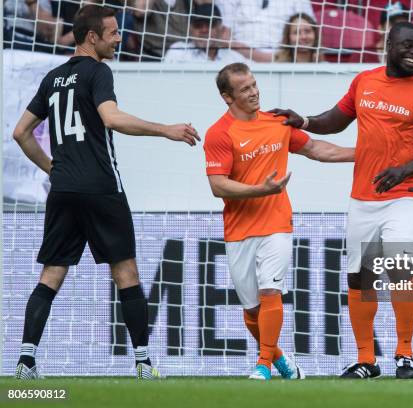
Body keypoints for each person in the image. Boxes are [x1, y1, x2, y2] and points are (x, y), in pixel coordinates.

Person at [12, 4, 199, 380]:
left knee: (52, 273)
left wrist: (54, 168)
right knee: (125, 272)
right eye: (113, 33)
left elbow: (20, 132)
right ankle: (144, 364)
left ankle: (25, 363)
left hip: (63, 189)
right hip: (100, 187)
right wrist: (165, 129)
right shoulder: (98, 71)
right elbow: (111, 118)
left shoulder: (53, 77)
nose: (118, 38)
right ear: (92, 37)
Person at [271, 22, 413, 379]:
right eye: (407, 46)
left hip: (407, 194)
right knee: (360, 278)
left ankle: (405, 355)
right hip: (364, 196)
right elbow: (336, 121)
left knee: (399, 265)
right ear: (388, 45)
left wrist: (403, 170)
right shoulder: (364, 81)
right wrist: (304, 120)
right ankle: (366, 360)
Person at [204, 62, 354, 380]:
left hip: (276, 224)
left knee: (270, 291)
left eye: (255, 85)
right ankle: (281, 359)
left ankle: (263, 365)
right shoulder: (219, 133)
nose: (254, 92)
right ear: (227, 97)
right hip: (238, 230)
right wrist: (261, 189)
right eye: (245, 89)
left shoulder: (277, 123)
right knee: (251, 309)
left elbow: (316, 149)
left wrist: (362, 153)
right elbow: (218, 185)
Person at [215, 0, 315, 62]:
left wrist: (278, 59)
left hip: (283, 63)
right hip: (237, 60)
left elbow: (310, 31)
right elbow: (224, 39)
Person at [164, 3, 245, 63]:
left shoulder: (233, 57)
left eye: (210, 25)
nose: (204, 30)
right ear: (190, 29)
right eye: (198, 25)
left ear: (220, 28)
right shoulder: (178, 51)